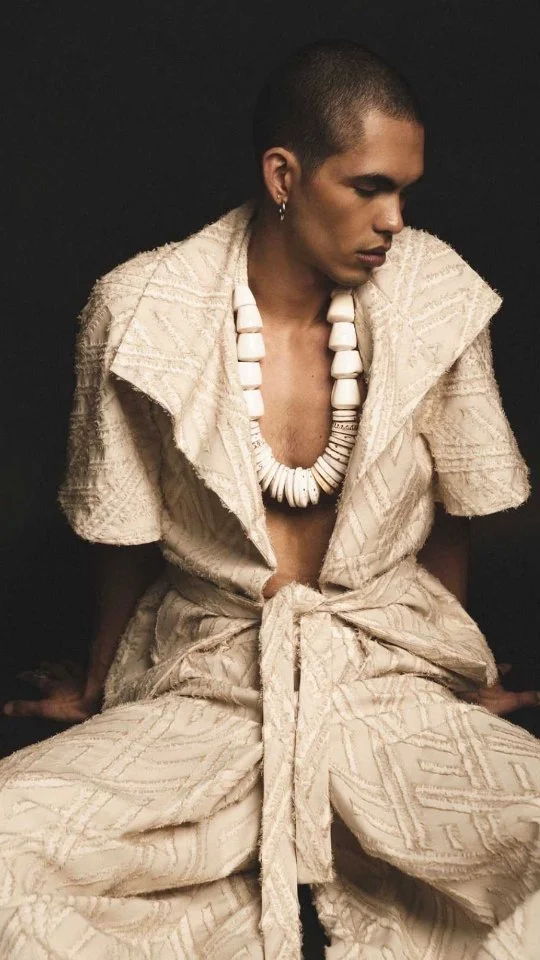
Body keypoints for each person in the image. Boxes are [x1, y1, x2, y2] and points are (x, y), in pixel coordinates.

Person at [1, 39, 539, 960]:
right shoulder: (140, 311)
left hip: (388, 678)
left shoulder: (435, 297)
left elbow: (454, 509)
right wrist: (98, 688)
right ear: (284, 175)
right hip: (208, 685)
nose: (394, 219)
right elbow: (120, 533)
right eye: (369, 187)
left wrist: (461, 673)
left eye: (405, 191)